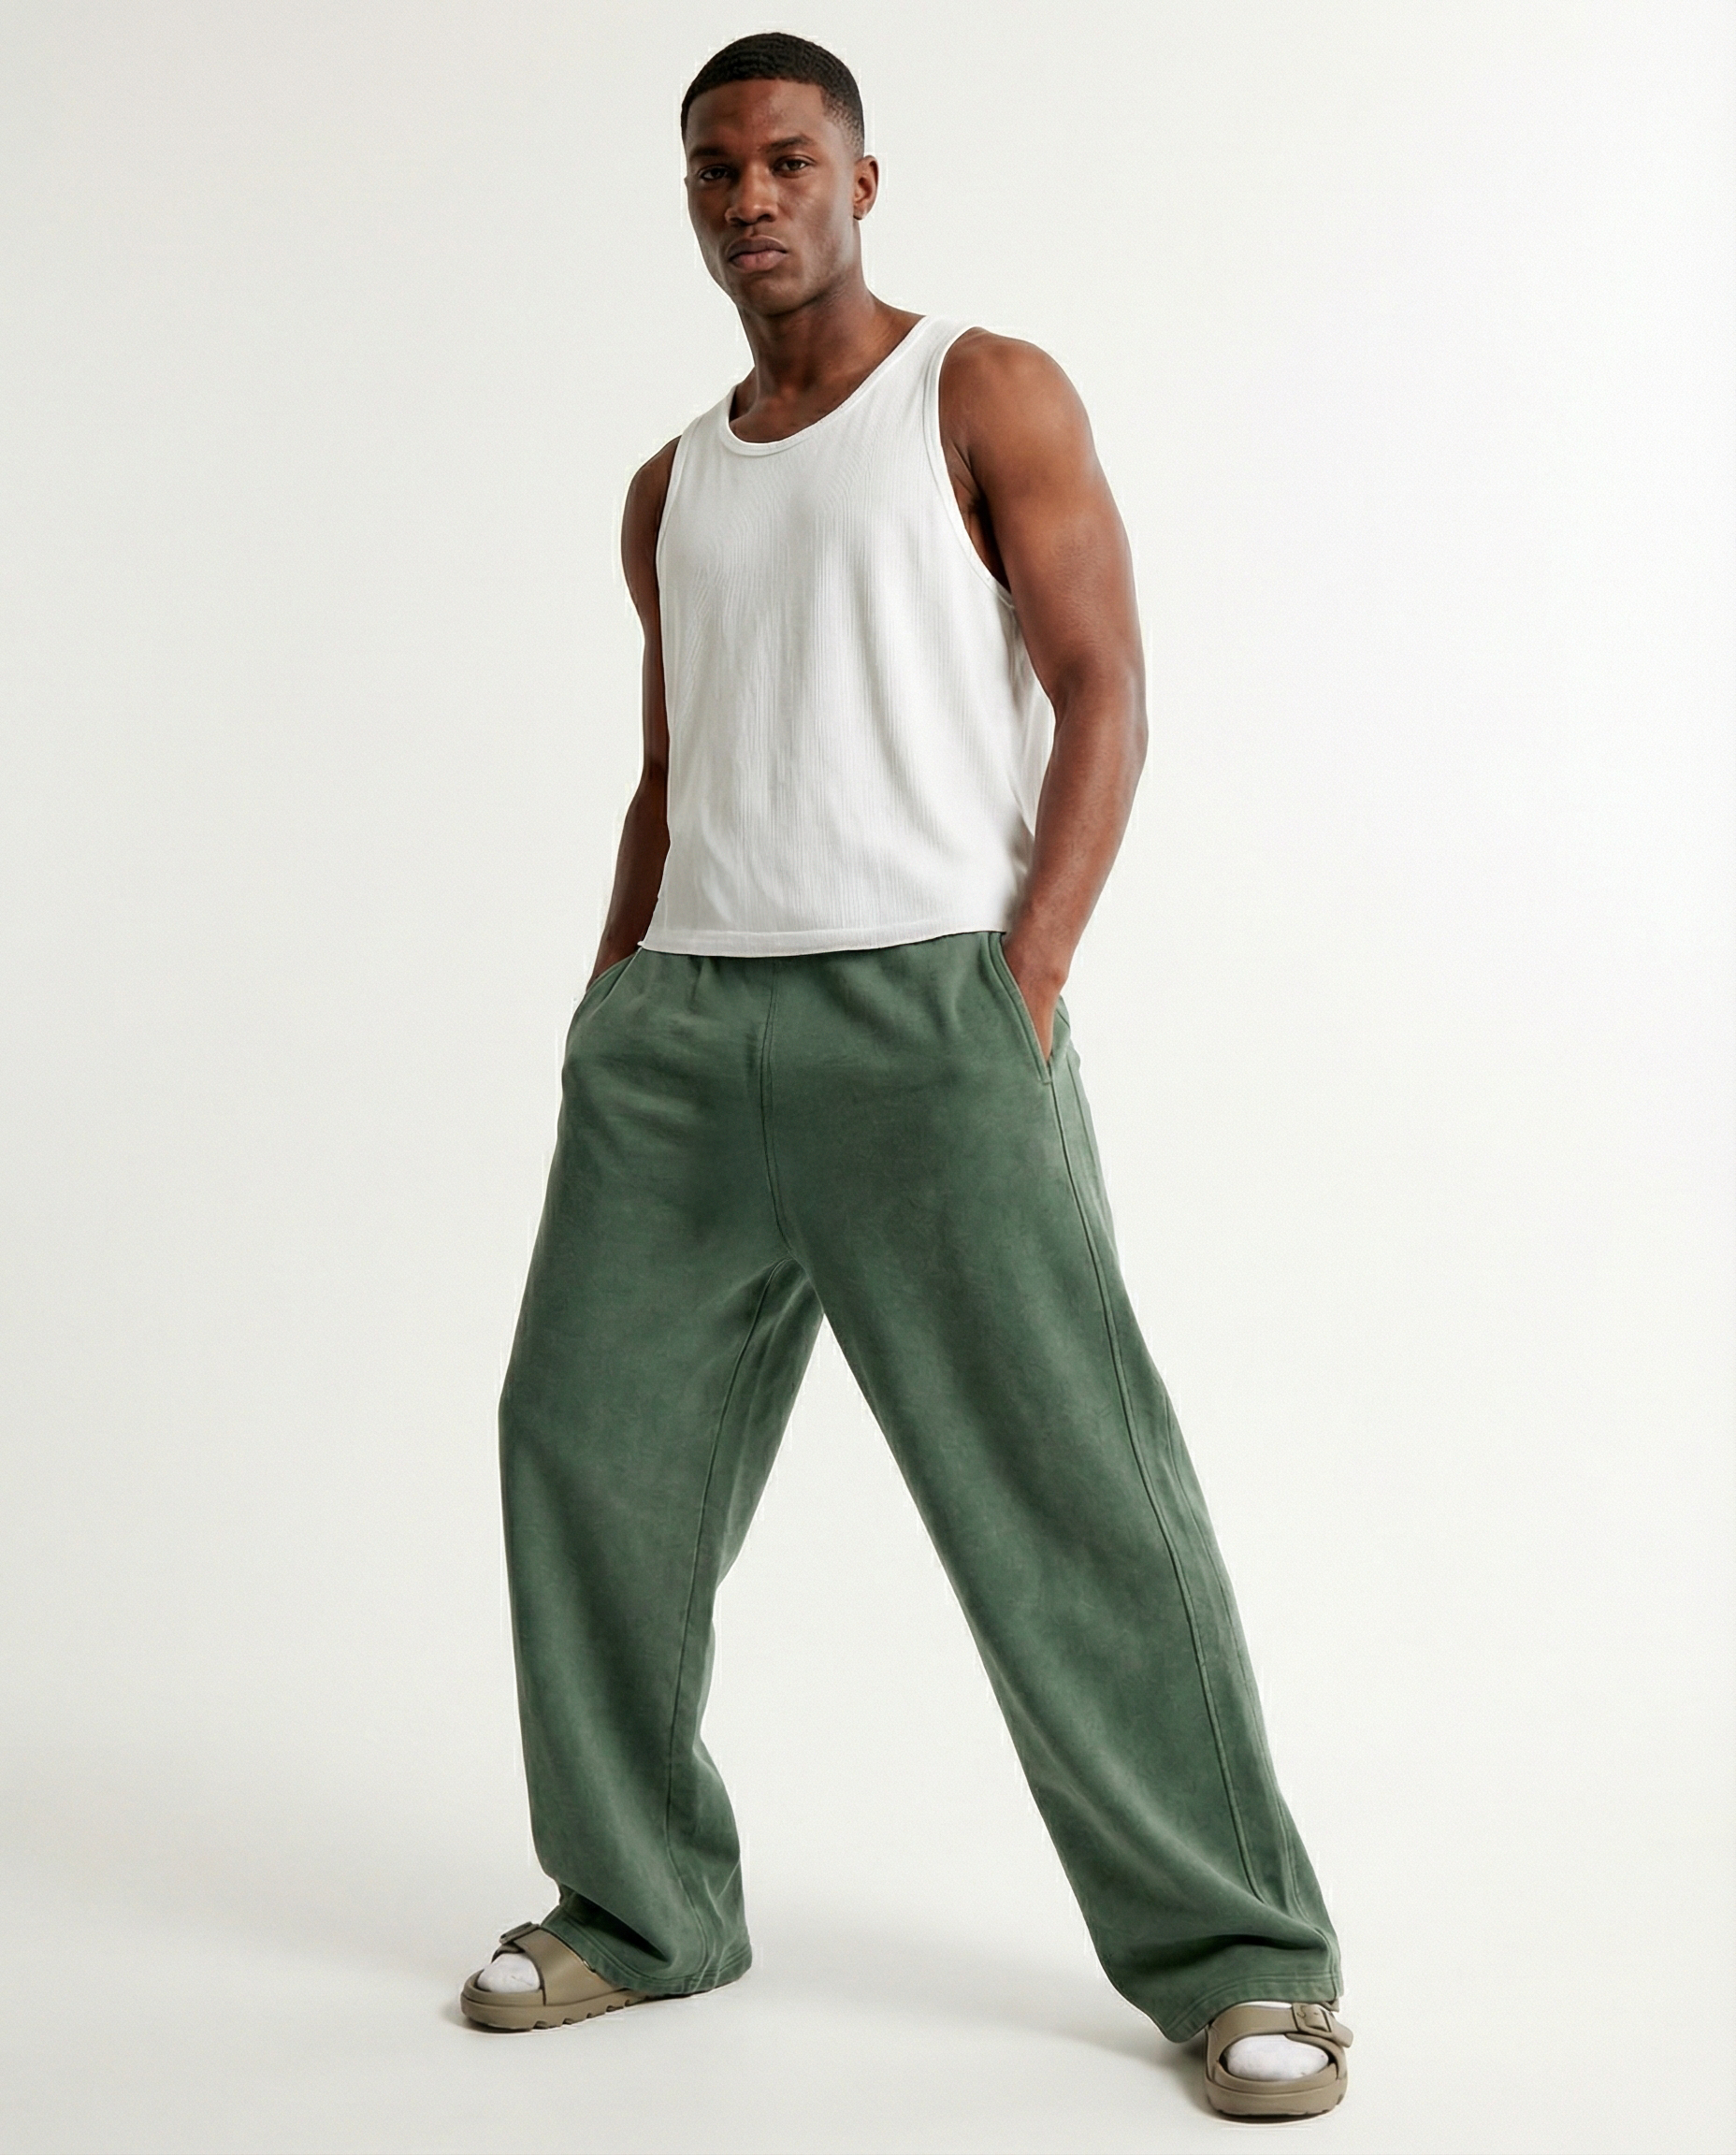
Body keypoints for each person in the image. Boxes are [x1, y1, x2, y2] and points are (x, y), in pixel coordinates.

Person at [456, 33, 1352, 2122]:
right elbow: (674, 769)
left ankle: (1243, 1956)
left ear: (865, 180)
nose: (750, 198)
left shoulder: (982, 386)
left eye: (786, 160)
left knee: (1060, 1491)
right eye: (713, 171)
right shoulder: (668, 483)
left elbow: (1104, 681)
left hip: (926, 1018)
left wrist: (1023, 972)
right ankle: (640, 1905)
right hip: (684, 1032)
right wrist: (611, 1002)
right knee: (576, 1443)